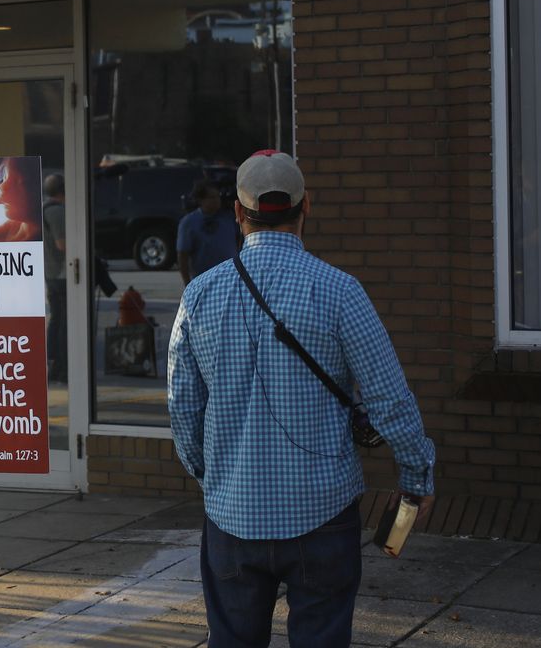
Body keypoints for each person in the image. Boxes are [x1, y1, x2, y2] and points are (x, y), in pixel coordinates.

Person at [168, 150, 435, 648]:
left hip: (233, 516)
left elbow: (183, 408)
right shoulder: (340, 291)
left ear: (239, 215)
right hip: (323, 514)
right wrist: (417, 476)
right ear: (305, 207)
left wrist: (213, 476)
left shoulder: (199, 295)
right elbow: (389, 398)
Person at [177, 180, 241, 285]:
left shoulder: (229, 218)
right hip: (202, 281)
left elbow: (238, 242)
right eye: (211, 197)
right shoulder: (189, 222)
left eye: (218, 196)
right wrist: (187, 284)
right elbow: (182, 255)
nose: (216, 200)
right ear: (200, 200)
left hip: (230, 279)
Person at [40, 174, 68, 380]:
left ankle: (53, 361)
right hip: (60, 273)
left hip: (50, 272)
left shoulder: (42, 210)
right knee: (63, 320)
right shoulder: (57, 212)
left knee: (57, 318)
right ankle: (60, 363)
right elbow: (62, 244)